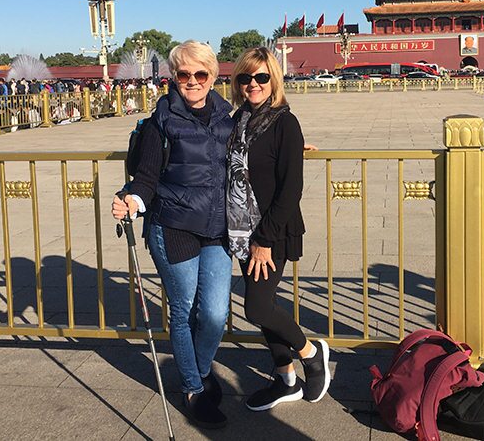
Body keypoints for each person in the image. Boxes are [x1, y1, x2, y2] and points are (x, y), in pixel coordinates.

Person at [111, 40, 234, 430]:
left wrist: (293, 149)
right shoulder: (160, 120)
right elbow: (146, 177)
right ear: (174, 78)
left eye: (201, 74)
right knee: (183, 310)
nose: (193, 82)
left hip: (217, 228)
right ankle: (194, 388)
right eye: (185, 74)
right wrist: (131, 199)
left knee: (214, 314)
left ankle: (196, 369)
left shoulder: (228, 117)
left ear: (214, 77)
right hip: (173, 225)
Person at [227, 47, 331, 411]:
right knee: (265, 304)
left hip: (272, 232)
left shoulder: (285, 122)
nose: (253, 84)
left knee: (256, 309)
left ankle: (311, 353)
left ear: (273, 80)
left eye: (260, 77)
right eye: (245, 78)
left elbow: (291, 190)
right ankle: (286, 378)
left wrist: (264, 240)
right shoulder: (239, 120)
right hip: (241, 229)